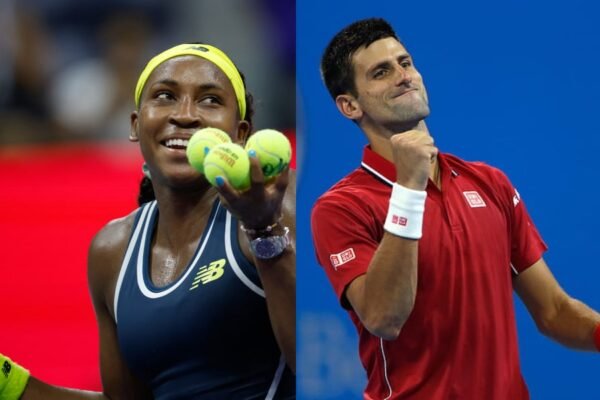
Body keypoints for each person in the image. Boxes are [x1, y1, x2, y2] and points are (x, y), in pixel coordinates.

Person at [310, 18, 600, 400]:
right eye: (381, 72)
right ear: (350, 105)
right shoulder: (340, 207)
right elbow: (384, 317)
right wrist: (409, 188)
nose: (403, 76)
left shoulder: (489, 182)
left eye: (405, 62)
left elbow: (554, 311)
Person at [0, 43, 295, 399]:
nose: (185, 115)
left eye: (210, 100)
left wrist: (265, 233)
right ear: (136, 125)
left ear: (241, 132)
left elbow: (322, 364)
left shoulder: (278, 202)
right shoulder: (112, 251)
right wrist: (10, 383)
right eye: (166, 96)